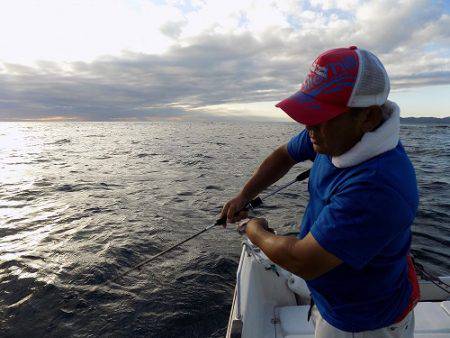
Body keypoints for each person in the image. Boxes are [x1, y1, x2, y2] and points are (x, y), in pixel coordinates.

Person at [221, 46, 419, 337]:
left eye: (321, 115)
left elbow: (304, 260)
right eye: (309, 112)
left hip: (361, 323)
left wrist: (253, 229)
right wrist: (244, 195)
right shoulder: (333, 136)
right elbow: (284, 154)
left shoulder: (378, 187)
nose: (308, 126)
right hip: (331, 302)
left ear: (368, 117)